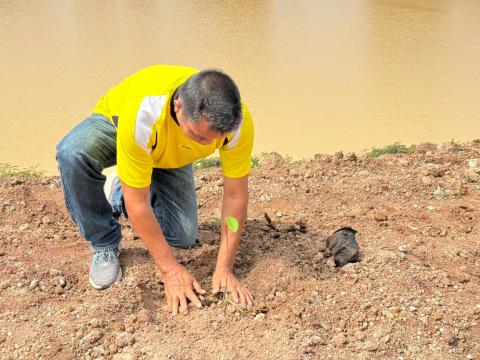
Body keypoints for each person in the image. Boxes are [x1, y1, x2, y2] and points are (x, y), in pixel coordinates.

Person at [56, 65, 254, 316]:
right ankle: (104, 241)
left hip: (170, 152)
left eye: (215, 139)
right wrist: (170, 270)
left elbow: (236, 196)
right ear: (178, 106)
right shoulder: (144, 113)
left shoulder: (237, 123)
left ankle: (121, 188)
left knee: (182, 236)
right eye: (200, 137)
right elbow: (138, 203)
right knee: (73, 152)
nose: (210, 145)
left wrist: (224, 269)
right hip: (120, 127)